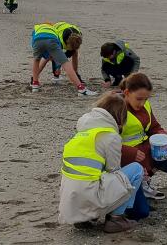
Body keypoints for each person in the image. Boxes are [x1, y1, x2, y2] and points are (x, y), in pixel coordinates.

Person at [58, 93, 143, 233]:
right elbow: (114, 171)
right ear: (120, 116)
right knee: (136, 170)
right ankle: (116, 218)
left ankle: (84, 218)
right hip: (89, 195)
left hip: (71, 201)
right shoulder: (110, 136)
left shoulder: (83, 130)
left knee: (88, 174)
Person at [117, 73, 167, 209]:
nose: (142, 103)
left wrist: (160, 133)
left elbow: (154, 126)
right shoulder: (117, 109)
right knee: (142, 212)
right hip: (124, 157)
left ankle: (146, 178)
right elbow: (106, 142)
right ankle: (138, 181)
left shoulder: (145, 105)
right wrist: (129, 152)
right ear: (126, 93)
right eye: (139, 99)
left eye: (146, 99)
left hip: (145, 149)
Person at [31, 21, 96, 96]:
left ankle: (34, 84)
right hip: (54, 38)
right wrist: (58, 66)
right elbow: (55, 54)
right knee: (65, 62)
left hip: (37, 39)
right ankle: (81, 89)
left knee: (36, 60)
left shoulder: (37, 28)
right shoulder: (57, 33)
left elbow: (33, 43)